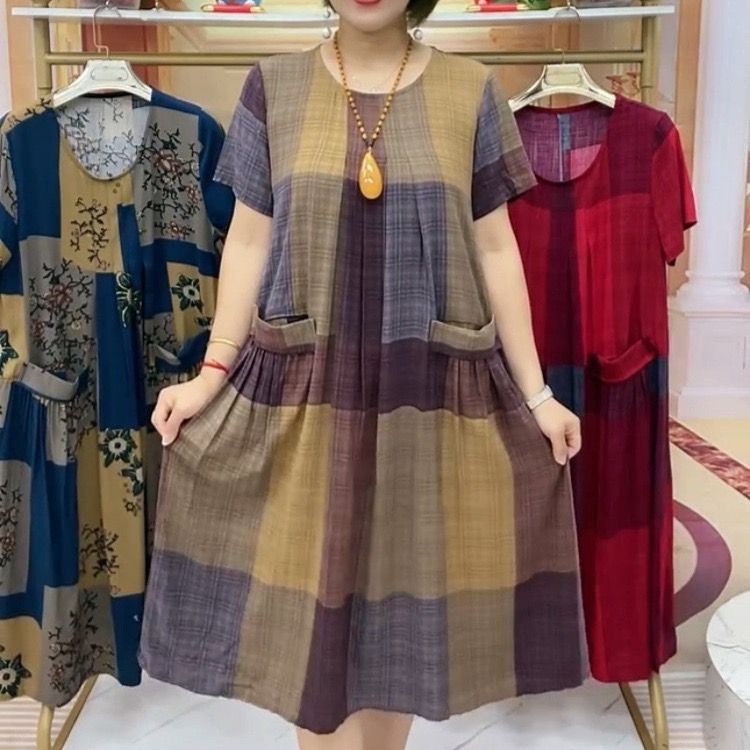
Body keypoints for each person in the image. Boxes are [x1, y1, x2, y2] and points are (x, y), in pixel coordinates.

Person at [139, 2, 587, 749]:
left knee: (397, 627)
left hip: (427, 401)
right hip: (307, 400)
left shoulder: (472, 90)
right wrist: (211, 373)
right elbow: (248, 239)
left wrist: (537, 394)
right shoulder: (272, 88)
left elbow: (495, 248)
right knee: (313, 640)